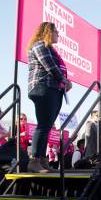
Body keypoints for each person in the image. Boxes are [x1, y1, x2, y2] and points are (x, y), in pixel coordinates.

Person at [26, 22, 72, 173]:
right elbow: (50, 66)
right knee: (43, 124)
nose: (58, 34)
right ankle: (34, 160)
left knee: (47, 125)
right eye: (56, 31)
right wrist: (64, 80)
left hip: (53, 89)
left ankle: (42, 159)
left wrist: (63, 82)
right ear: (47, 32)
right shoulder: (40, 46)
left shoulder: (50, 49)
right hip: (42, 87)